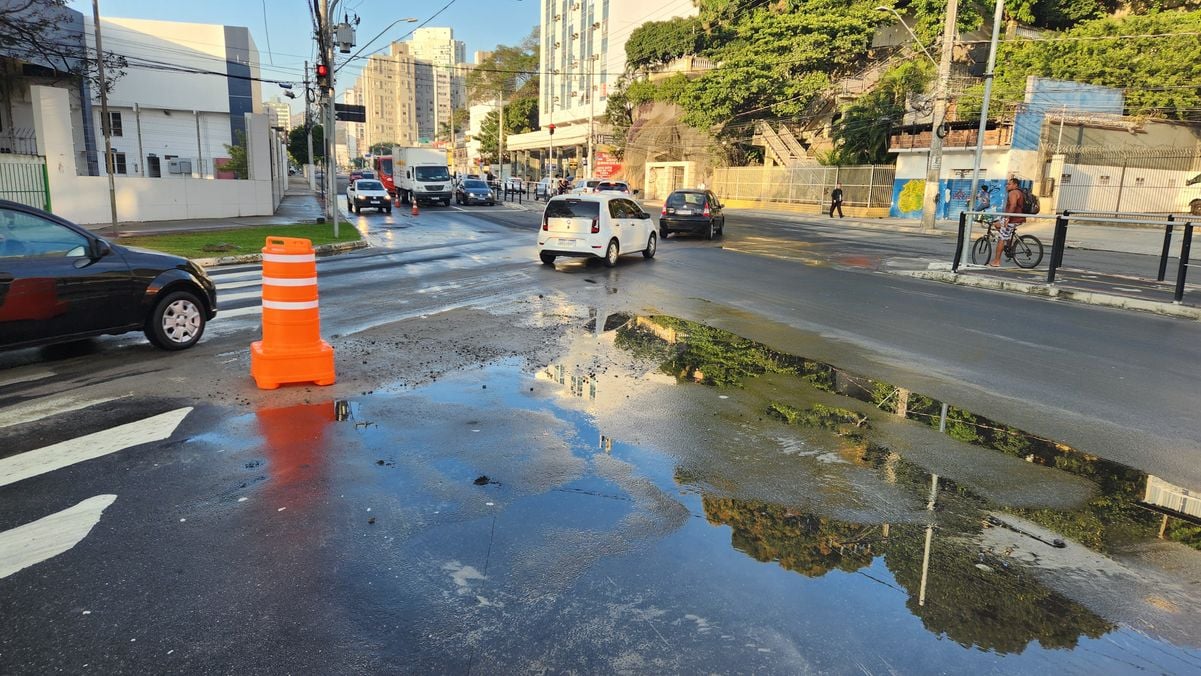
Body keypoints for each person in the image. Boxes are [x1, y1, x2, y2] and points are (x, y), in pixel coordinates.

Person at [991, 178, 1026, 267]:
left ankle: (996, 261)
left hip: (1012, 219)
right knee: (996, 224)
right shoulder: (1019, 192)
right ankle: (1008, 242)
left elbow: (1013, 205)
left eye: (1009, 184)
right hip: (1017, 218)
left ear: (1015, 185)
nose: (1007, 185)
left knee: (1001, 239)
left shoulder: (1013, 193)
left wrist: (1007, 218)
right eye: (1007, 184)